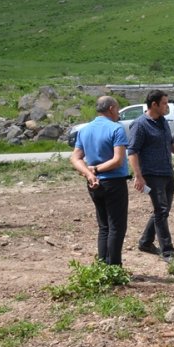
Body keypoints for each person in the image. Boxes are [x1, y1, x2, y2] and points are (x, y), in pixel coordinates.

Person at [128, 90, 174, 261]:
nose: (167, 106)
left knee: (162, 210)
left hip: (167, 172)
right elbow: (132, 152)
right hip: (152, 174)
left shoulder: (163, 121)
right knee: (161, 210)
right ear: (154, 104)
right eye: (164, 103)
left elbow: (170, 142)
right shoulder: (140, 124)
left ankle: (145, 242)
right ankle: (168, 251)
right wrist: (138, 176)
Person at [69, 96, 129, 265]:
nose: (118, 113)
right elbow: (118, 160)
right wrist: (94, 170)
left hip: (94, 185)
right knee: (116, 227)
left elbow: (75, 158)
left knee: (104, 227)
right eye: (117, 109)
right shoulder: (116, 129)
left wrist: (89, 174)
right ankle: (114, 268)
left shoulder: (85, 130)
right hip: (114, 182)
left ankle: (102, 266)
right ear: (111, 108)